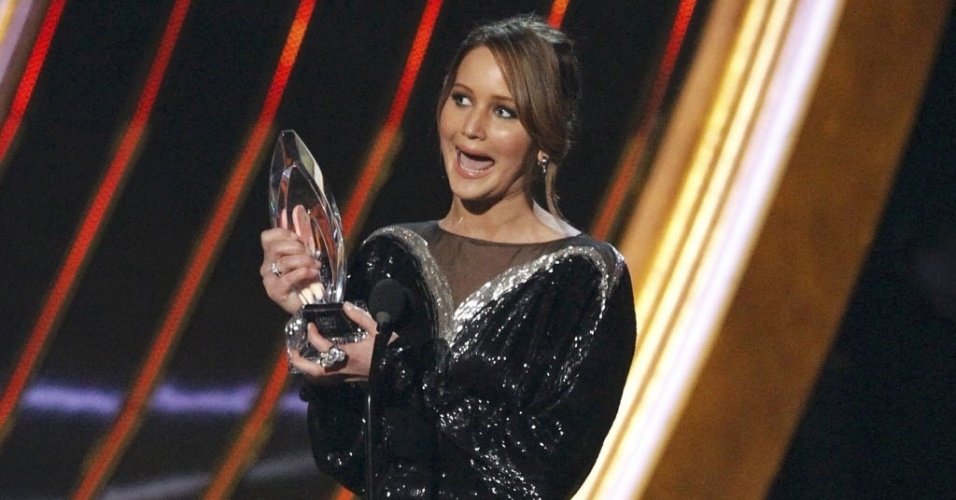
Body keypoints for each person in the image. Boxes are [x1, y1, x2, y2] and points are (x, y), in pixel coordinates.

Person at [260, 14, 636, 499]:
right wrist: (316, 311)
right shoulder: (388, 256)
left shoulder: (586, 280)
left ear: (545, 138)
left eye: (505, 112)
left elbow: (541, 475)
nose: (471, 128)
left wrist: (395, 372)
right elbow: (345, 455)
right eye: (462, 99)